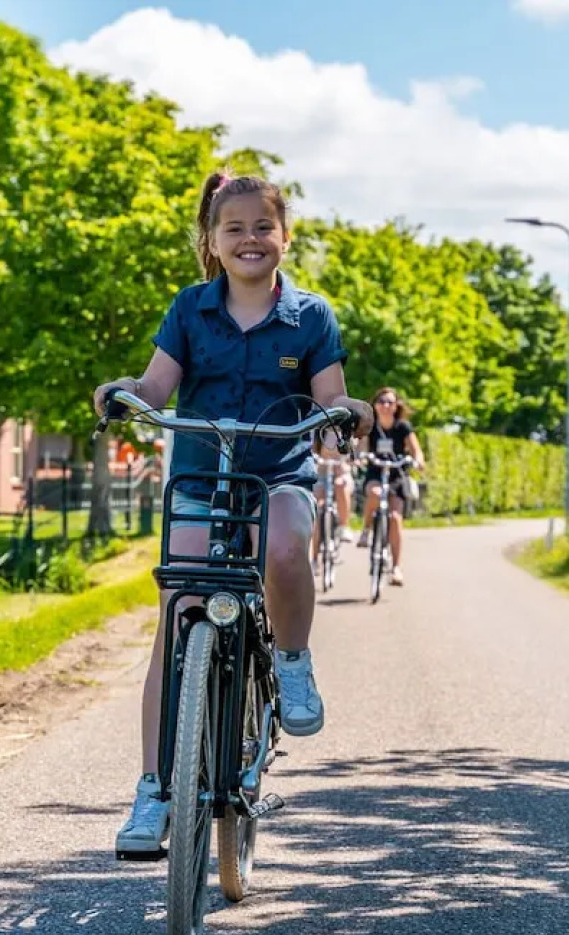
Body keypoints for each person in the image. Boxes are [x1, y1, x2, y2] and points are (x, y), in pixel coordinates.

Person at [94, 171, 372, 856]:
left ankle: (293, 657)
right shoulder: (189, 309)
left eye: (262, 227)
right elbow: (157, 383)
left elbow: (329, 395)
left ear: (284, 236)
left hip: (276, 472)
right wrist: (126, 392)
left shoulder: (312, 317)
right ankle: (155, 789)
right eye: (234, 228)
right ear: (212, 242)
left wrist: (344, 417)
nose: (250, 239)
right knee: (179, 608)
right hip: (198, 476)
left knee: (283, 551)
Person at [356, 387, 425, 586]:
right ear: (375, 406)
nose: (386, 405)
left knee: (395, 518)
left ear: (396, 406)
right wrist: (360, 457)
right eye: (382, 401)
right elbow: (362, 447)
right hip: (376, 472)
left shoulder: (403, 427)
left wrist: (418, 461)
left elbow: (416, 451)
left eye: (390, 402)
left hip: (397, 474)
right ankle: (366, 529)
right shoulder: (371, 426)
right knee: (375, 493)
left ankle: (396, 568)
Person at [310, 428, 355, 566]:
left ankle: (343, 526)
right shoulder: (319, 430)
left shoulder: (347, 431)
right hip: (322, 473)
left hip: (341, 473)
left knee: (340, 484)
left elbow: (354, 456)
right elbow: (312, 451)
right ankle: (314, 557)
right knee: (317, 507)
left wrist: (347, 466)